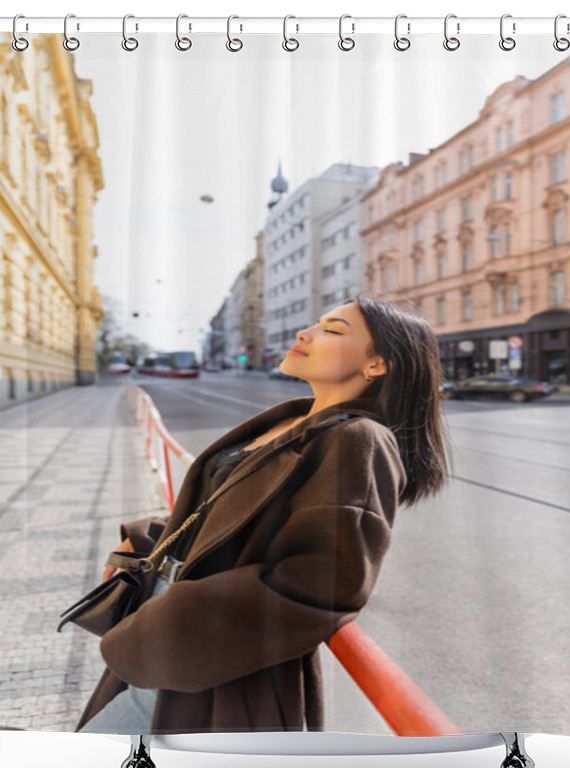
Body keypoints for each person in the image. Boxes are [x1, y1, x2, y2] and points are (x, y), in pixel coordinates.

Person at [75, 295, 454, 735]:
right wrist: (146, 537)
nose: (305, 333)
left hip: (208, 653)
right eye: (316, 322)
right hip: (169, 629)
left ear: (377, 365)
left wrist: (174, 616)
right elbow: (234, 509)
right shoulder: (298, 420)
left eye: (332, 330)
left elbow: (323, 584)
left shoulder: (358, 439)